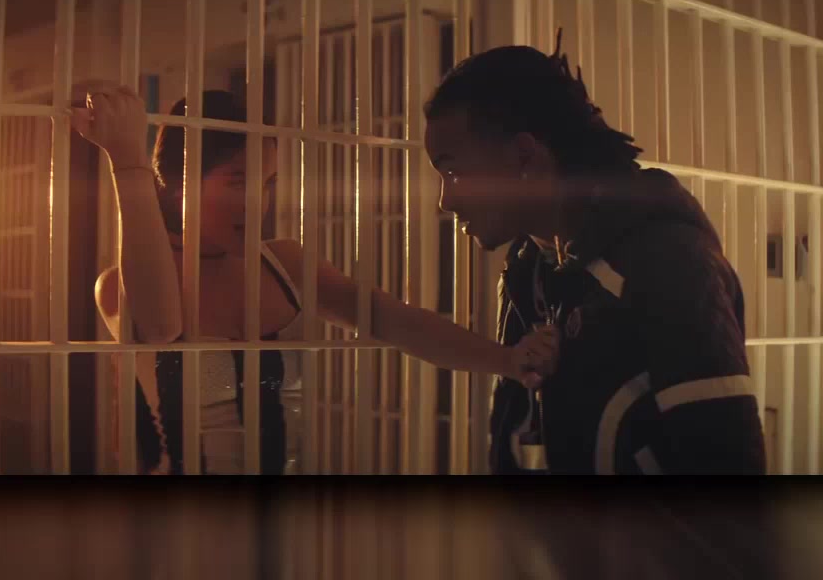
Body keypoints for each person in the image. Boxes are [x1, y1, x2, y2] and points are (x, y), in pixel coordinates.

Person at [72, 85, 553, 475]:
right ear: (179, 184)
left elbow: (396, 321)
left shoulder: (284, 264)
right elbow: (159, 327)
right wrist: (127, 162)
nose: (257, 203)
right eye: (237, 181)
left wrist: (508, 360)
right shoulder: (117, 285)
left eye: (267, 183)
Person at [421, 36, 766, 475]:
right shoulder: (529, 266)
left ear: (525, 155)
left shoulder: (669, 261)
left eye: (453, 172)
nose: (446, 201)